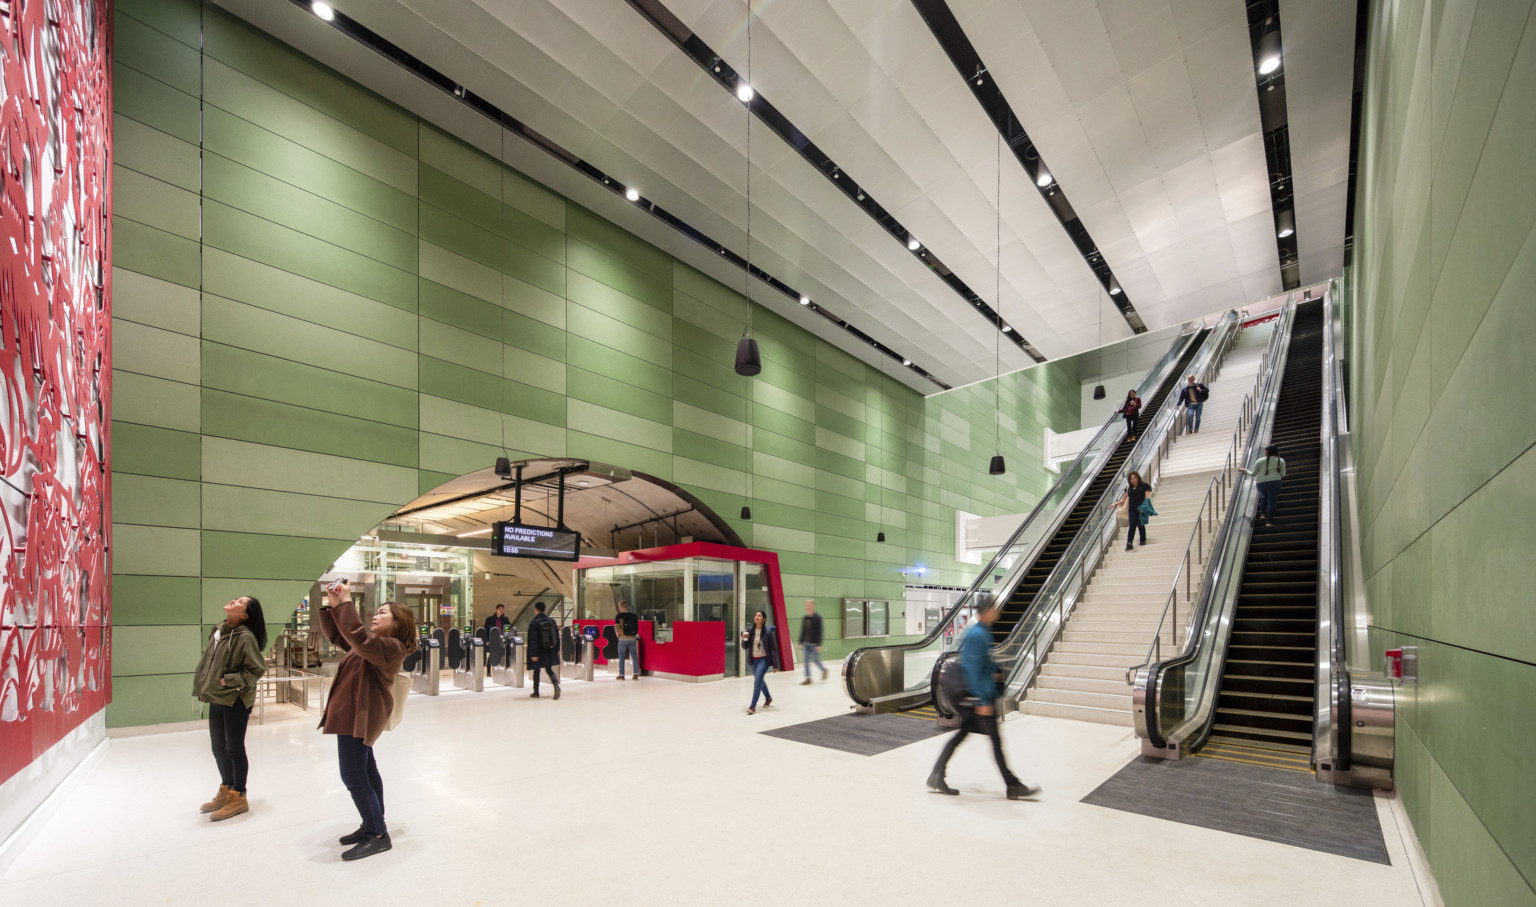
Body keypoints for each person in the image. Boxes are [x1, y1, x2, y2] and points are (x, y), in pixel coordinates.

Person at [317, 581, 416, 861]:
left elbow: (358, 638)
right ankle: (373, 823)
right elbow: (342, 637)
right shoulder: (371, 647)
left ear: (398, 624)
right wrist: (334, 606)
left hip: (360, 716)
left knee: (354, 776)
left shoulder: (391, 647)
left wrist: (347, 602)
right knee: (367, 771)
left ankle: (377, 834)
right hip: (353, 715)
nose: (375, 615)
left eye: (383, 613)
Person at [926, 601, 1036, 800]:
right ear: (986, 612)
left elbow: (980, 665)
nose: (998, 611)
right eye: (994, 608)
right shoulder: (977, 635)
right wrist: (981, 699)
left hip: (980, 696)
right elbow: (972, 670)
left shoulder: (982, 631)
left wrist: (993, 673)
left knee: (964, 737)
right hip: (979, 698)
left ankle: (937, 775)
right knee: (994, 742)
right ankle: (1013, 786)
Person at [193, 595, 267, 822]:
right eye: (235, 599)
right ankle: (226, 788)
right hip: (216, 696)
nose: (234, 601)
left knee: (234, 747)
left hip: (235, 698)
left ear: (245, 615)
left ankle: (239, 796)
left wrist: (230, 680)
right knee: (218, 748)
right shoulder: (219, 630)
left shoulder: (245, 637)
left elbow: (256, 669)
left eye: (240, 602)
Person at [740, 610, 779, 715]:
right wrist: (743, 640)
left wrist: (775, 665)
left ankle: (752, 706)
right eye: (756, 615)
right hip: (753, 660)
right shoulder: (750, 631)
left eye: (759, 616)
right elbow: (744, 647)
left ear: (763, 619)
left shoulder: (768, 632)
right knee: (760, 681)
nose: (756, 617)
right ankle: (768, 698)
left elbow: (773, 649)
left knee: (757, 682)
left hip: (764, 660)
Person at [1243, 444, 1287, 526]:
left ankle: (1262, 514)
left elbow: (1253, 474)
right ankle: (1269, 521)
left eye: (1265, 451)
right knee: (1272, 501)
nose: (1265, 452)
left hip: (1261, 483)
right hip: (1275, 482)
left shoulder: (1260, 461)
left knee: (1264, 497)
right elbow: (1282, 474)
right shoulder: (1280, 460)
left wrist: (1245, 470)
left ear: (1268, 452)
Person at [526, 601, 561, 699]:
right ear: (544, 610)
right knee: (549, 670)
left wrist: (533, 654)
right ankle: (556, 685)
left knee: (536, 670)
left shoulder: (534, 623)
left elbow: (533, 640)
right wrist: (557, 649)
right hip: (549, 650)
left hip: (539, 651)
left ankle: (536, 691)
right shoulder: (551, 621)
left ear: (536, 610)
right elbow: (556, 636)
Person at [1115, 471, 1153, 551]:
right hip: (1132, 510)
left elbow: (1147, 497)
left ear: (1138, 477)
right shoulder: (1128, 488)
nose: (1133, 480)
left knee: (1140, 524)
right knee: (1132, 525)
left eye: (1134, 478)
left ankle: (1142, 540)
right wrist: (1115, 504)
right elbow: (1124, 499)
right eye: (1131, 479)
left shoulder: (1144, 486)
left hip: (1141, 509)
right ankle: (1129, 543)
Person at [798, 600, 826, 685]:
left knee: (815, 660)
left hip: (814, 644)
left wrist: (819, 644)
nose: (808, 606)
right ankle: (808, 679)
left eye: (809, 605)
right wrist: (800, 642)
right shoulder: (805, 618)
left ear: (813, 606)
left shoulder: (818, 618)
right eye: (806, 605)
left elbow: (820, 632)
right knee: (806, 661)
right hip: (806, 644)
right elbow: (803, 631)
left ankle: (824, 670)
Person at [614, 600, 641, 680]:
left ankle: (621, 675)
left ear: (620, 607)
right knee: (634, 657)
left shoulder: (619, 616)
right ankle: (635, 675)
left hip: (623, 639)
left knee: (621, 657)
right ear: (626, 606)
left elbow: (616, 628)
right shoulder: (634, 616)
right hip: (632, 638)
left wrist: (618, 637)